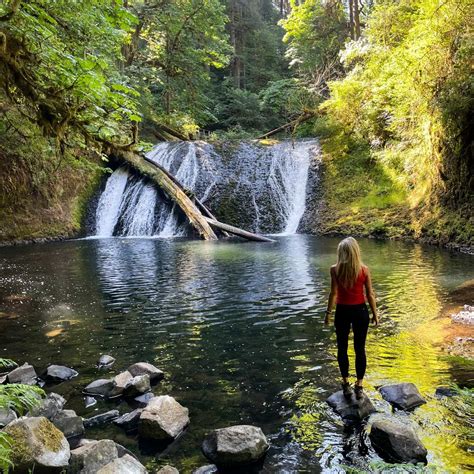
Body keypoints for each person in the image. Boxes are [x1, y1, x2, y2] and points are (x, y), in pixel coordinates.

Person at [324, 237, 379, 399]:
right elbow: (370, 294)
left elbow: (333, 293)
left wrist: (328, 314)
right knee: (359, 348)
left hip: (342, 312)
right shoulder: (364, 270)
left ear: (341, 253)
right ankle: (359, 385)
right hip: (360, 312)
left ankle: (345, 382)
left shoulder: (334, 269)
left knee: (342, 347)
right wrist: (375, 314)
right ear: (356, 252)